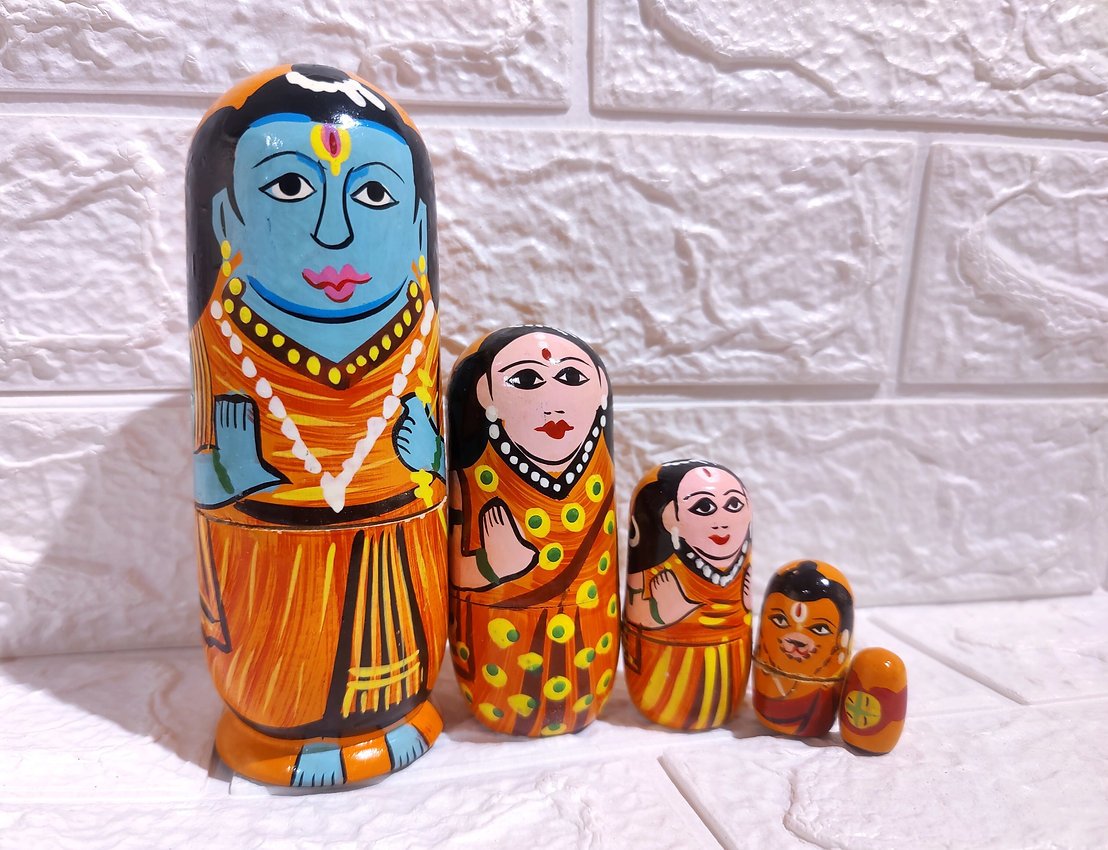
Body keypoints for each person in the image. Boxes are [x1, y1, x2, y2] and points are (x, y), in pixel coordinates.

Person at [187, 65, 446, 786]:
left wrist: (430, 458)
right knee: (279, 680)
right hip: (266, 567)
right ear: (225, 219)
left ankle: (397, 717)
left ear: (418, 227)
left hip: (400, 549)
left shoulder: (418, 337)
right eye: (290, 188)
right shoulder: (218, 343)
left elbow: (435, 468)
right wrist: (229, 473)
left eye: (374, 194)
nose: (335, 233)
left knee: (399, 658)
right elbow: (204, 475)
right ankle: (275, 734)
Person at [447, 326, 620, 736]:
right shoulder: (472, 477)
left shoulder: (602, 464)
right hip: (499, 643)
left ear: (600, 390)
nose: (553, 401)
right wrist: (491, 567)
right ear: (485, 395)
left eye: (571, 377)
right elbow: (456, 565)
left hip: (592, 630)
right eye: (526, 379)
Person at [622, 460, 753, 730]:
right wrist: (661, 613)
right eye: (703, 507)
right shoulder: (656, 566)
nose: (721, 521)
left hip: (732, 652)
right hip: (662, 662)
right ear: (669, 516)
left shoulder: (742, 566)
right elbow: (637, 611)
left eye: (733, 504)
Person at [752, 559, 854, 737]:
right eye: (780, 620)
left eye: (819, 629)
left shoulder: (823, 696)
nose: (796, 639)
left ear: (841, 640)